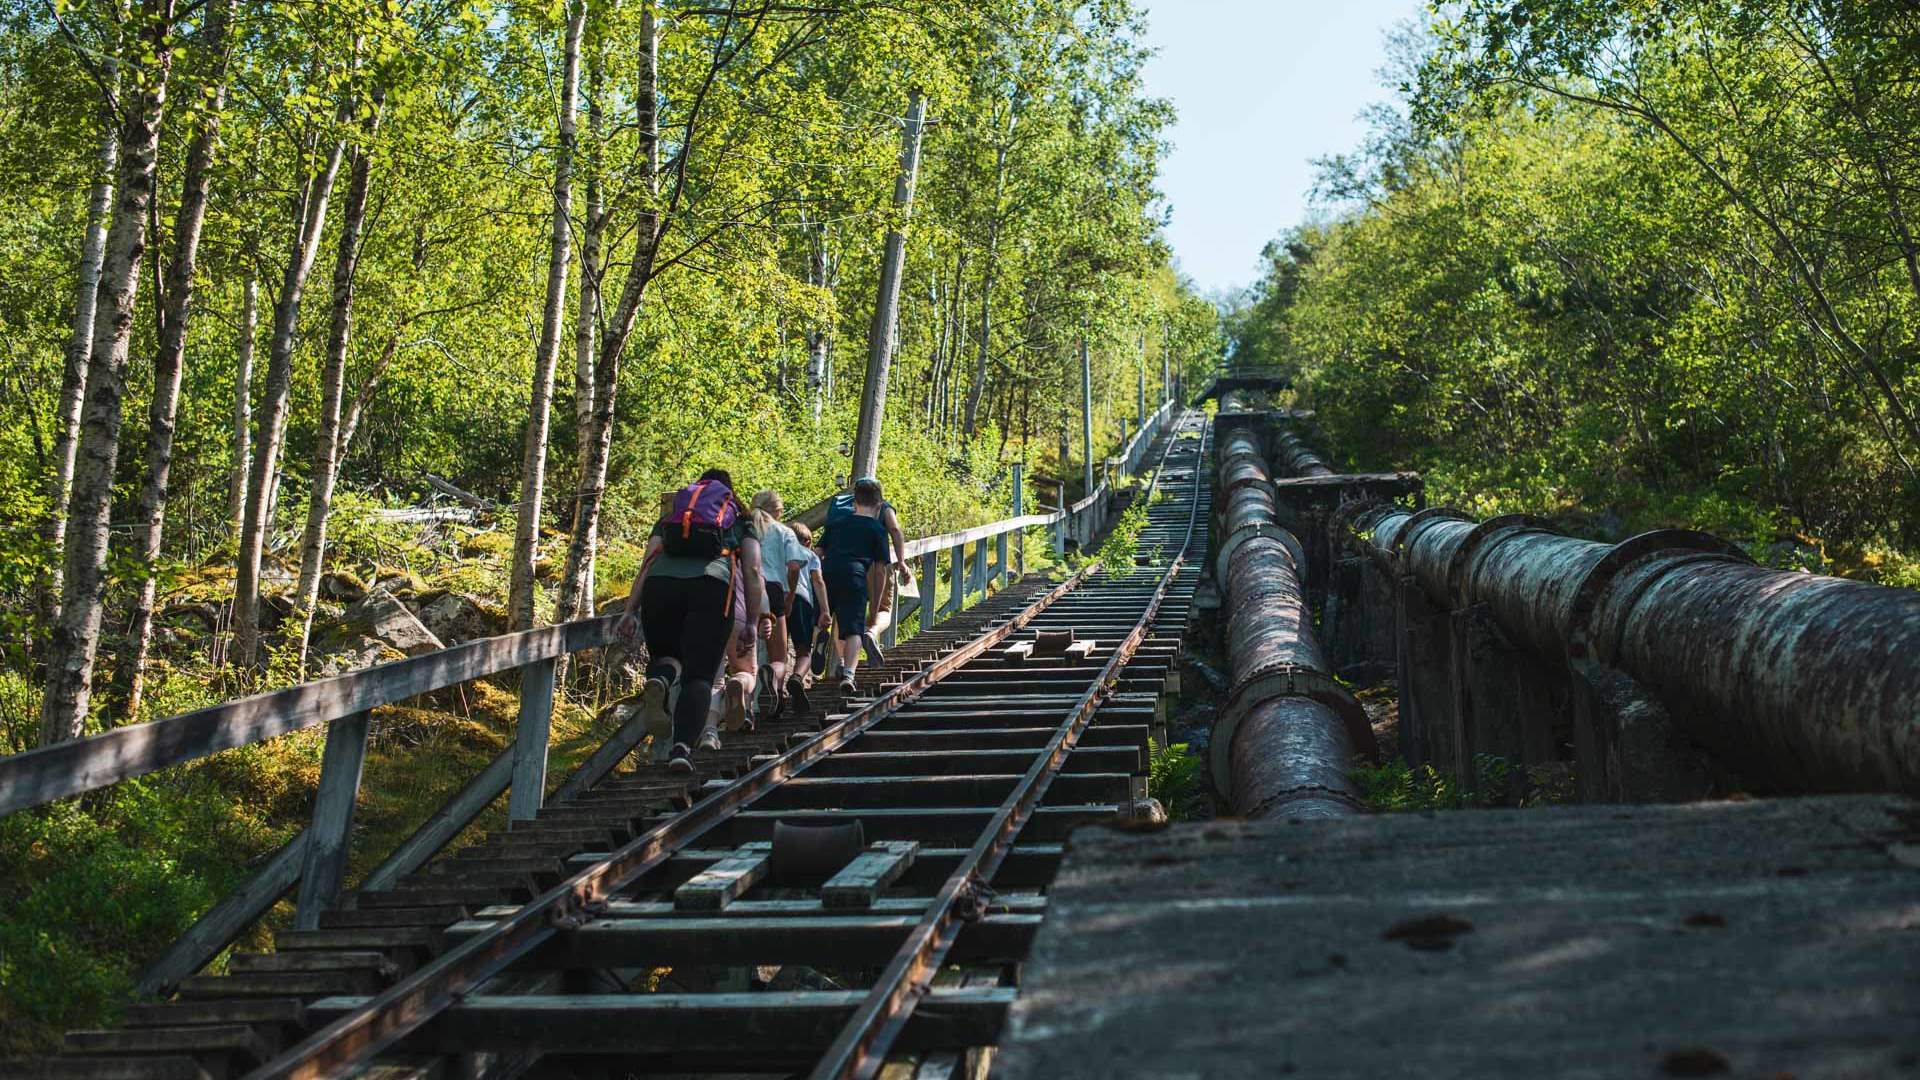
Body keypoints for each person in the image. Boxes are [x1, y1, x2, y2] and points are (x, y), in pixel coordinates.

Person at [613, 468, 763, 773]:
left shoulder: (674, 514)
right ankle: (681, 749)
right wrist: (751, 621)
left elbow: (649, 560)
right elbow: (754, 570)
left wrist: (630, 610)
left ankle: (661, 679)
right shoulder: (741, 518)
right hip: (711, 588)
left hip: (660, 585)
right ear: (728, 492)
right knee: (699, 676)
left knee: (668, 657)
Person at [819, 477, 892, 693]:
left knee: (825, 619)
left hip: (828, 573)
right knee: (854, 631)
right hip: (854, 576)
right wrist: (876, 606)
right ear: (879, 505)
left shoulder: (836, 523)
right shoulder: (877, 529)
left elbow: (818, 552)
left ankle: (818, 639)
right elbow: (880, 571)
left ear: (854, 503)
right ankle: (848, 674)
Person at [750, 490, 804, 718]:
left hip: (743, 588)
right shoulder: (784, 531)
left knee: (744, 653)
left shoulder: (744, 528)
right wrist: (790, 594)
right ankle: (772, 677)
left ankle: (747, 705)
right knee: (778, 657)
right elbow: (793, 567)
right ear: (778, 511)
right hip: (772, 589)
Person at [785, 521, 831, 709]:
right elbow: (818, 582)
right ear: (806, 541)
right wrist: (825, 610)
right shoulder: (810, 555)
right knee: (804, 651)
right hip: (802, 602)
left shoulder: (781, 552)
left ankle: (776, 693)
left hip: (780, 599)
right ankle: (797, 677)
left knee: (777, 651)